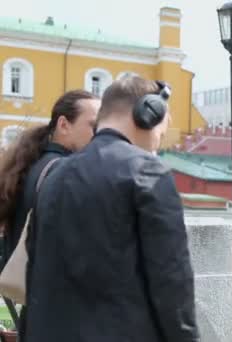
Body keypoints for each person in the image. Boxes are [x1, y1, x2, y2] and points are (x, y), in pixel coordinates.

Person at [24, 76, 200, 342]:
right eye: (162, 129)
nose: (159, 140)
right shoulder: (147, 172)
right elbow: (171, 280)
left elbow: (34, 270)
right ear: (147, 114)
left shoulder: (54, 175)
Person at [0, 89, 99, 334]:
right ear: (64, 124)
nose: (100, 135)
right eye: (93, 126)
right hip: (60, 316)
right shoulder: (65, 172)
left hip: (33, 312)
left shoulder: (28, 166)